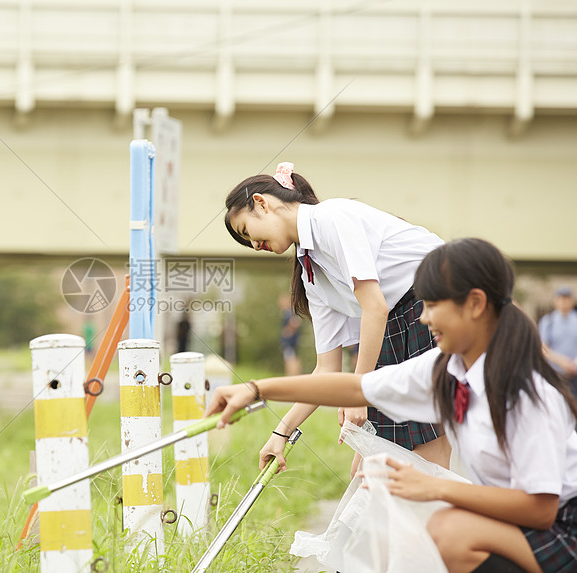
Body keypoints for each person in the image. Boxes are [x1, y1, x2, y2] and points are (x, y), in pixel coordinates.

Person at [207, 238, 577, 573]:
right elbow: (355, 388)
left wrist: (433, 487)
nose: (423, 317)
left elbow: (540, 509)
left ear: (476, 304)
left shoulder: (527, 394)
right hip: (521, 522)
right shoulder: (446, 368)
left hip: (563, 526)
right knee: (407, 534)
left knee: (447, 531)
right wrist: (257, 389)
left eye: (433, 305)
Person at [225, 162, 450, 475]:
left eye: (246, 231)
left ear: (261, 203)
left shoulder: (332, 217)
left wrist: (359, 392)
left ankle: (445, 517)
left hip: (439, 297)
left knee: (423, 451)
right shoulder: (310, 274)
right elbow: (326, 369)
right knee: (371, 454)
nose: (254, 245)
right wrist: (281, 433)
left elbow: (375, 307)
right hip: (398, 319)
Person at [538, 286, 577, 396]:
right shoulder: (548, 321)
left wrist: (574, 363)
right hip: (556, 373)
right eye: (561, 298)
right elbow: (543, 348)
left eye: (567, 298)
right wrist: (562, 362)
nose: (564, 301)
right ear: (555, 301)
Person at [278, 293, 302, 376]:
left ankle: (292, 375)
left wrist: (288, 331)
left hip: (289, 341)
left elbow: (295, 323)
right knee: (291, 357)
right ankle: (292, 374)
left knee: (290, 358)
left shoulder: (288, 313)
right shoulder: (289, 312)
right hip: (291, 340)